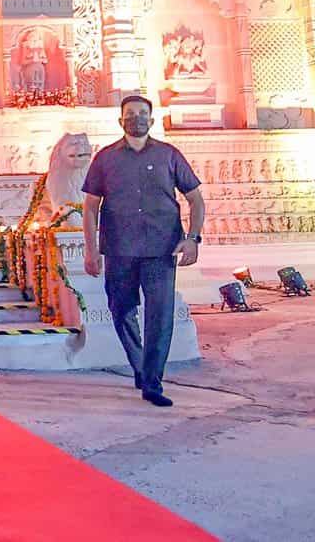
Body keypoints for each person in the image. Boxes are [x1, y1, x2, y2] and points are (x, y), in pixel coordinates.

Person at [82, 95, 204, 407]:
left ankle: (153, 381)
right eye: (130, 114)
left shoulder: (169, 155)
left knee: (159, 316)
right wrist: (91, 249)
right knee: (121, 310)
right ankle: (140, 365)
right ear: (120, 120)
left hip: (161, 249)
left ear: (151, 120)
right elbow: (91, 206)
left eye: (142, 114)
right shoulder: (106, 158)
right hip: (120, 248)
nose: (136, 118)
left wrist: (193, 238)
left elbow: (195, 199)